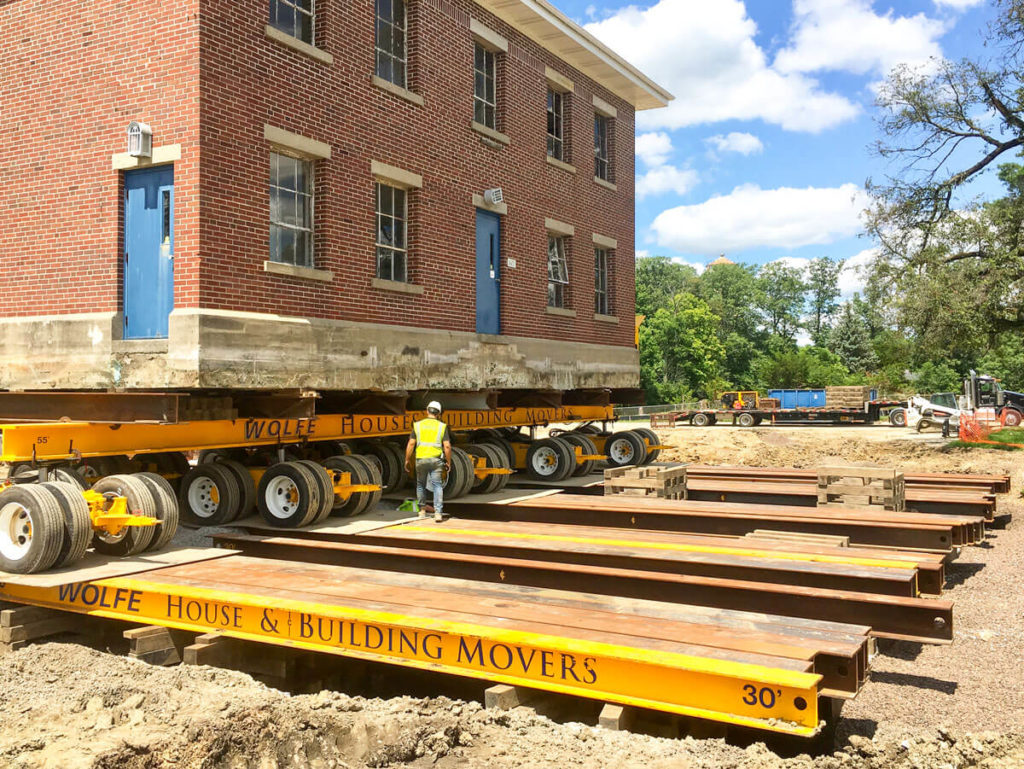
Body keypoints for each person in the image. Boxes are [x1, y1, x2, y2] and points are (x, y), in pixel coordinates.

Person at [405, 400, 451, 522]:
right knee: (437, 485)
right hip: (436, 460)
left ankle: (422, 511)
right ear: (439, 413)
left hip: (421, 459)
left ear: (427, 411)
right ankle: (438, 513)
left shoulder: (418, 425)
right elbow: (447, 446)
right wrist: (448, 461)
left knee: (420, 485)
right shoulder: (442, 426)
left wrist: (407, 459)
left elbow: (411, 443)